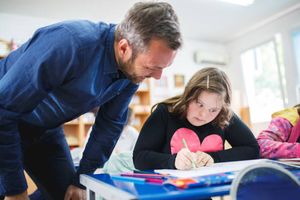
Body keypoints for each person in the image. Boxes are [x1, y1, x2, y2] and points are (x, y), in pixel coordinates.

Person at [0, 1, 182, 200]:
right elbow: (4, 109)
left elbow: (110, 125)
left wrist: (81, 179)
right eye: (151, 67)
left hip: (45, 130)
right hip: (6, 119)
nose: (157, 76)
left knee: (70, 195)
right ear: (124, 48)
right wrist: (15, 190)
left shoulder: (132, 72)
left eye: (163, 67)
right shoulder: (70, 42)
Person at [133, 67, 259, 171]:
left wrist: (214, 158)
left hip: (201, 192)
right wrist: (172, 161)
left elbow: (252, 149)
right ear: (188, 95)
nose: (203, 115)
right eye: (199, 104)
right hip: (165, 192)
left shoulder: (223, 115)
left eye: (213, 110)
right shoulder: (165, 112)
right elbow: (139, 157)